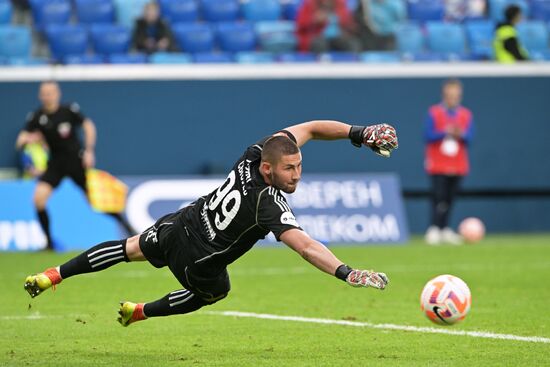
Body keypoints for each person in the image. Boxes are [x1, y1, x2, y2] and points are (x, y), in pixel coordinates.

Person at [23, 120, 399, 327]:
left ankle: (53, 275)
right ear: (269, 169)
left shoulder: (255, 154)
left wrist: (357, 133)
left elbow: (312, 129)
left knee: (129, 248)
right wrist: (346, 272)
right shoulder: (266, 203)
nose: (297, 175)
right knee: (215, 293)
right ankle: (140, 312)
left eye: (299, 166)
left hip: (182, 222)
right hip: (200, 261)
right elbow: (305, 245)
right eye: (290, 168)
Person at [15, 81, 136, 250]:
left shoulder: (69, 111)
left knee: (96, 202)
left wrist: (89, 150)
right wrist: (27, 139)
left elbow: (88, 126)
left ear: (57, 94)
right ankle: (49, 243)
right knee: (38, 200)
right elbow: (20, 140)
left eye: (50, 92)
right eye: (44, 93)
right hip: (55, 164)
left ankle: (129, 228)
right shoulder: (36, 117)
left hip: (75, 161)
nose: (47, 96)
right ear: (40, 95)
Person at [424, 79, 474, 245]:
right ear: (444, 95)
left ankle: (444, 228)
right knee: (438, 197)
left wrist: (460, 134)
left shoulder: (466, 114)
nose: (453, 98)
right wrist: (444, 132)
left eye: (456, 95)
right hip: (438, 163)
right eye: (450, 95)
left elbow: (470, 137)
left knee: (450, 199)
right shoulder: (434, 112)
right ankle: (434, 228)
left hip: (458, 164)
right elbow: (428, 135)